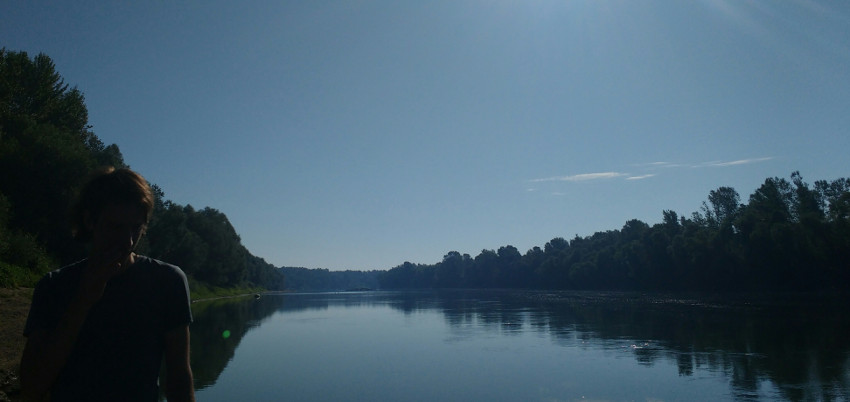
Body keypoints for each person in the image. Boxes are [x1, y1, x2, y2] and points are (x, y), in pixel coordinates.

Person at [20, 167, 195, 402]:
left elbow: (179, 380)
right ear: (90, 220)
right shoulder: (54, 286)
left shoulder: (168, 281)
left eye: (136, 227)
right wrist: (83, 300)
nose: (128, 241)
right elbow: (32, 387)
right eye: (116, 227)